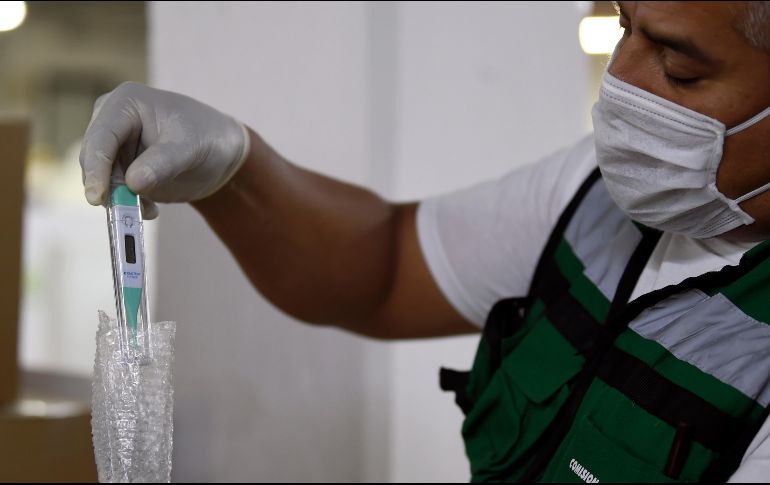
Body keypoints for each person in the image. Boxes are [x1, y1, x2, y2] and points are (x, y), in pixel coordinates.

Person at [80, 1, 770, 482]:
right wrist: (236, 169)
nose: (622, 80)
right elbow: (383, 269)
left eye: (678, 68)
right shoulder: (597, 198)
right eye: (624, 26)